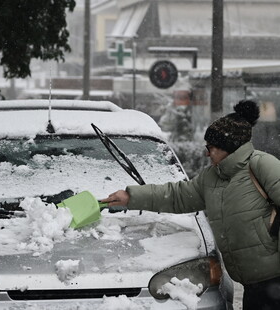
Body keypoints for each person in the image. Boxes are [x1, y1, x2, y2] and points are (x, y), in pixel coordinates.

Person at [101, 99, 280, 310]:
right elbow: (177, 196)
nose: (207, 153)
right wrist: (131, 197)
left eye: (211, 147)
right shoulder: (211, 177)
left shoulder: (260, 164)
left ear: (228, 147)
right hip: (252, 284)